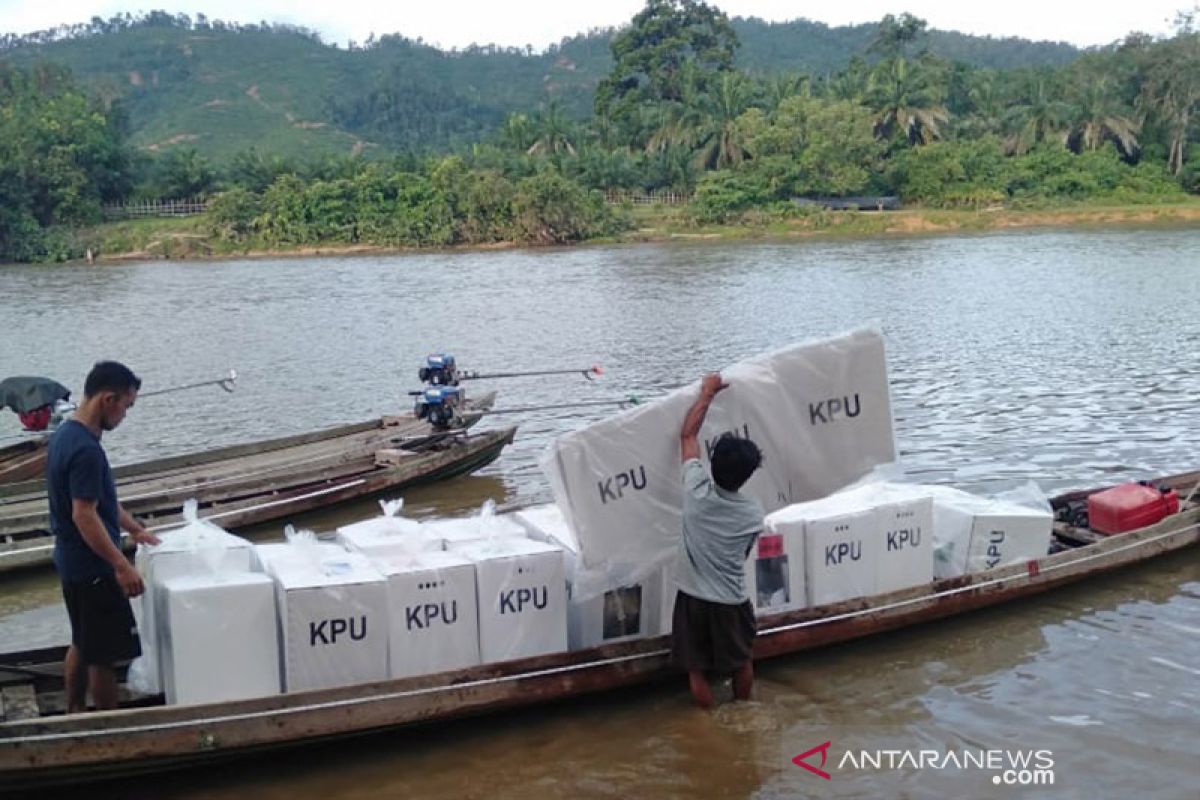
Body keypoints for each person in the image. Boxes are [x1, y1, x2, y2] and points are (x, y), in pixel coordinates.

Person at [47, 361, 160, 713]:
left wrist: (135, 530)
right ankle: (108, 727)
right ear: (108, 399)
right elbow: (84, 515)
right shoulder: (86, 451)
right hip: (93, 567)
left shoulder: (66, 435)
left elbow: (103, 502)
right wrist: (121, 565)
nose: (125, 415)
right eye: (126, 406)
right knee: (104, 655)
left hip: (70, 561)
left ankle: (75, 709)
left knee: (83, 640)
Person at [672, 372, 765, 708]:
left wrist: (708, 392)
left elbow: (687, 435)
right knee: (742, 661)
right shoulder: (753, 514)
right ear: (747, 475)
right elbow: (743, 553)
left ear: (712, 463)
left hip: (693, 597)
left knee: (696, 671)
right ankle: (741, 709)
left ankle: (710, 720)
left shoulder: (696, 491)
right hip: (730, 599)